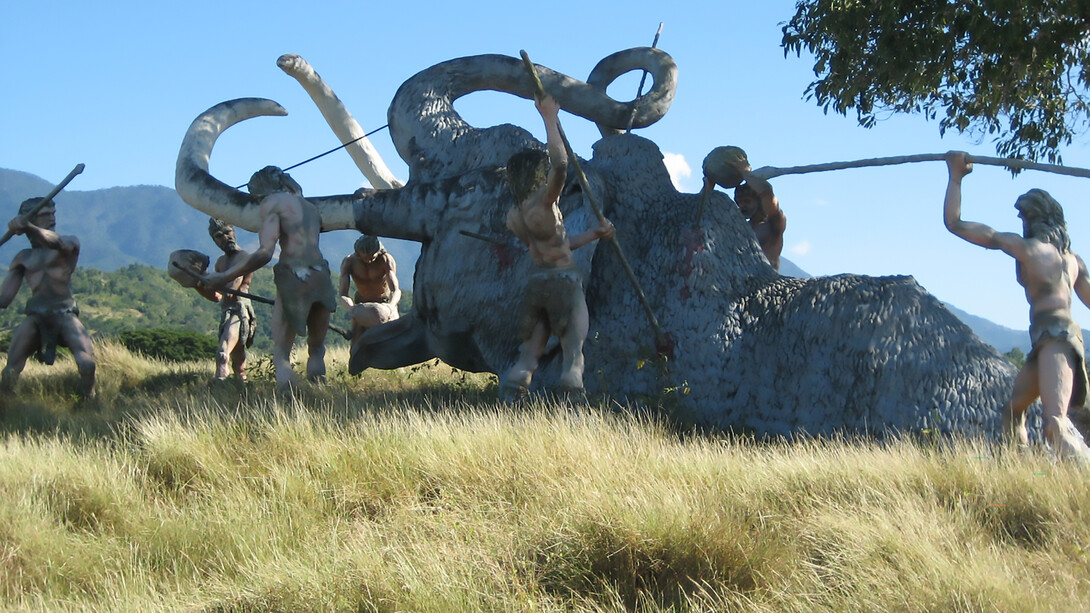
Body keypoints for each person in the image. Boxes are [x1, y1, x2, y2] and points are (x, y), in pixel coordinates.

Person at [944, 150, 1090, 461]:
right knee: (1013, 411)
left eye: (1023, 217)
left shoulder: (1027, 249)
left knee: (1056, 423)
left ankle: (1083, 478)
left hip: (1057, 339)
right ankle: (1019, 467)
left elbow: (955, 224)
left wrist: (955, 178)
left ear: (1034, 218)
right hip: (1046, 341)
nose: (1021, 223)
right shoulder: (1074, 261)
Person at [501, 94, 615, 400]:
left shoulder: (513, 216)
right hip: (564, 282)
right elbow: (562, 165)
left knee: (528, 358)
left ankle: (509, 402)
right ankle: (572, 412)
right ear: (536, 174)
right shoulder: (544, 202)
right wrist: (549, 118)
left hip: (537, 284)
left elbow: (557, 244)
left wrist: (595, 234)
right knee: (573, 356)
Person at [199, 166, 336, 388]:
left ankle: (289, 404)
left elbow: (264, 253)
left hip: (294, 275)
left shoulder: (273, 205)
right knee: (317, 348)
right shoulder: (310, 208)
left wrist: (224, 276)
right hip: (321, 274)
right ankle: (320, 397)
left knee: (281, 352)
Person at [0, 197, 96, 399]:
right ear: (32, 218)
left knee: (87, 364)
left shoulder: (68, 244)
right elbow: (4, 298)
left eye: (53, 214)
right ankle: (7, 408)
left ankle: (90, 401)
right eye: (44, 215)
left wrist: (29, 227)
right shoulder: (23, 258)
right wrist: (27, 227)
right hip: (35, 315)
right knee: (10, 371)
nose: (52, 218)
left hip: (64, 313)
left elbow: (56, 242)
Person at [701, 146, 787, 271]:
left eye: (747, 201)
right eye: (739, 202)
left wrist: (745, 172)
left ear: (759, 200)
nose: (742, 206)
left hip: (765, 283)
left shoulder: (774, 224)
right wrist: (709, 188)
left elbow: (766, 193)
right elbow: (699, 215)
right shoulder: (739, 229)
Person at [191, 219, 257, 382]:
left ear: (234, 232)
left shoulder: (244, 256)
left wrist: (229, 287)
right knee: (238, 361)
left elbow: (236, 282)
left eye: (228, 232)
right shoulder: (221, 262)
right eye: (219, 236)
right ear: (214, 241)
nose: (225, 238)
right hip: (227, 311)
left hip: (240, 311)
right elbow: (218, 296)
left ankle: (222, 382)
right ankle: (236, 393)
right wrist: (199, 285)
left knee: (223, 352)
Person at [338, 234, 401, 348]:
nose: (369, 260)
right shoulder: (349, 262)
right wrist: (352, 308)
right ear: (358, 253)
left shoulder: (385, 260)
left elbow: (395, 290)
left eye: (373, 257)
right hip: (361, 305)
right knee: (357, 348)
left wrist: (391, 306)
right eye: (365, 257)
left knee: (394, 344)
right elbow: (342, 294)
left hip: (385, 303)